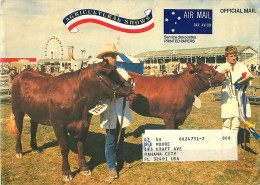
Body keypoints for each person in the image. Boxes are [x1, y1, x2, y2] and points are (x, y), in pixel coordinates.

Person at [97, 43, 133, 179]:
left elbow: (130, 86)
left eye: (115, 56)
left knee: (121, 138)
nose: (114, 58)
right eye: (111, 56)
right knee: (111, 140)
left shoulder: (121, 71)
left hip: (122, 110)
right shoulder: (101, 74)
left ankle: (122, 160)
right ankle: (112, 166)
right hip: (110, 111)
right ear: (104, 58)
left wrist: (130, 83)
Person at [216, 45, 253, 133]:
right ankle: (225, 143)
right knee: (226, 122)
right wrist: (221, 74)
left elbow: (249, 80)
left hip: (239, 97)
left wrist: (245, 83)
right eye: (231, 56)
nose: (233, 58)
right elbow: (215, 83)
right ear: (226, 56)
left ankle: (232, 144)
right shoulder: (221, 67)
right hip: (227, 97)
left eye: (235, 55)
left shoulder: (242, 66)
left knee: (236, 123)